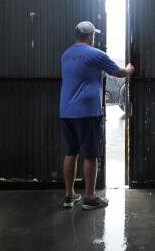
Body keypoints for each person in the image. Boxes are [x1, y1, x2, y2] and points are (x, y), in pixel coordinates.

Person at [60, 21, 134, 209]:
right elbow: (119, 72)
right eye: (94, 36)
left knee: (70, 153)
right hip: (87, 112)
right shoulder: (95, 54)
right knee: (91, 155)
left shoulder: (66, 55)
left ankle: (69, 196)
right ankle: (90, 197)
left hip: (66, 111)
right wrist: (130, 69)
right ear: (90, 36)